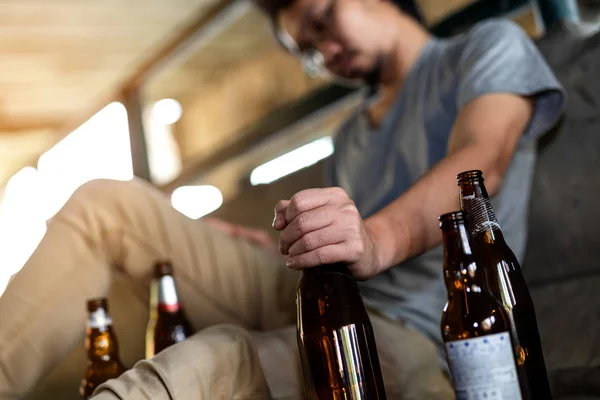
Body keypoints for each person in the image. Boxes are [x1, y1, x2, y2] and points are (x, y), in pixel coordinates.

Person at [0, 0, 565, 399]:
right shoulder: (350, 135)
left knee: (215, 361)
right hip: (320, 296)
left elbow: (481, 159)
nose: (324, 51)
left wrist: (375, 239)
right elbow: (338, 258)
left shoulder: (486, 47)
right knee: (108, 204)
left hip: (413, 334)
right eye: (309, 51)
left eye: (321, 21)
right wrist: (276, 248)